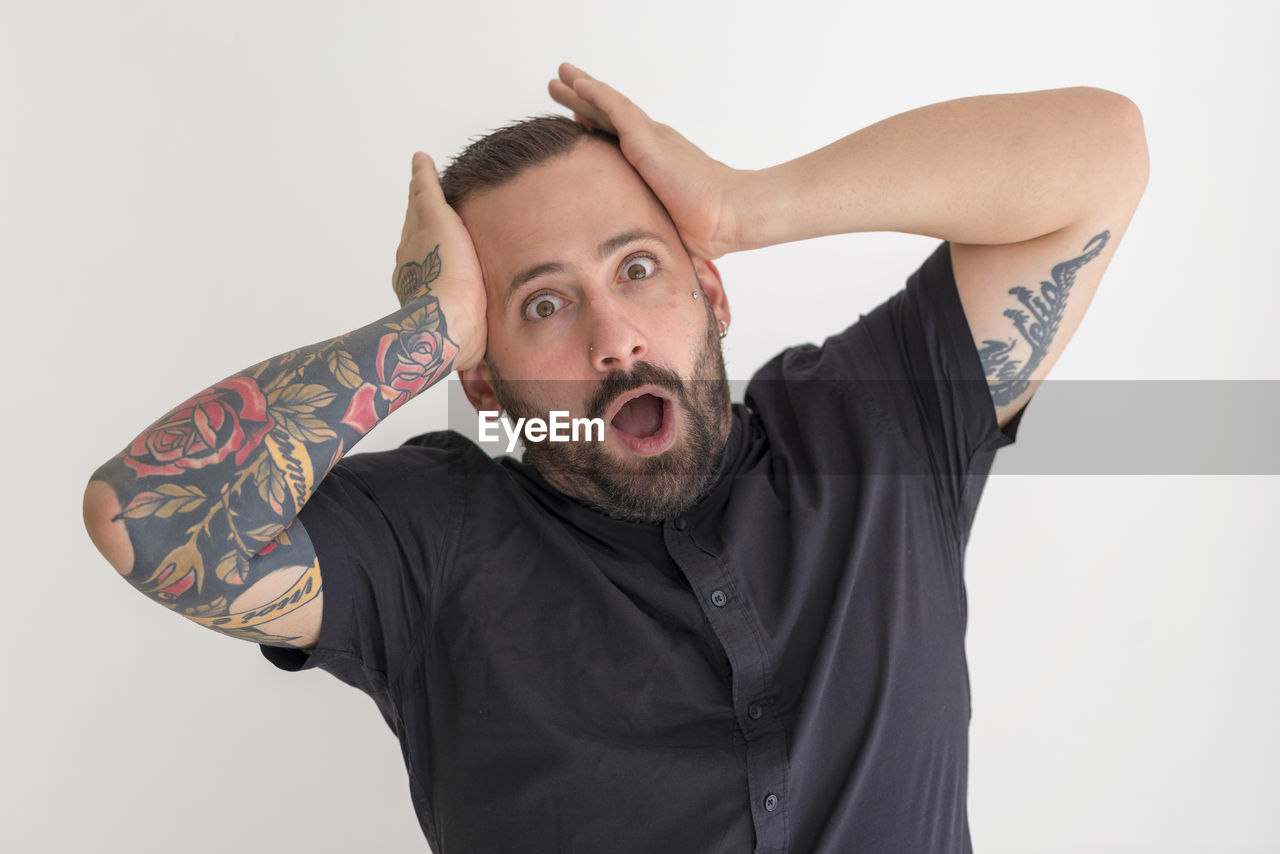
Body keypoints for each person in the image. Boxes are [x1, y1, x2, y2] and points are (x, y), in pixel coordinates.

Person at [83, 63, 1148, 852]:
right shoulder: (431, 540)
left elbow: (1100, 153)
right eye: (540, 304)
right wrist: (426, 330)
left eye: (638, 268)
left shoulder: (871, 426)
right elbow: (146, 515)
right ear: (484, 375)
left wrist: (739, 206)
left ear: (710, 290)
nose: (613, 338)